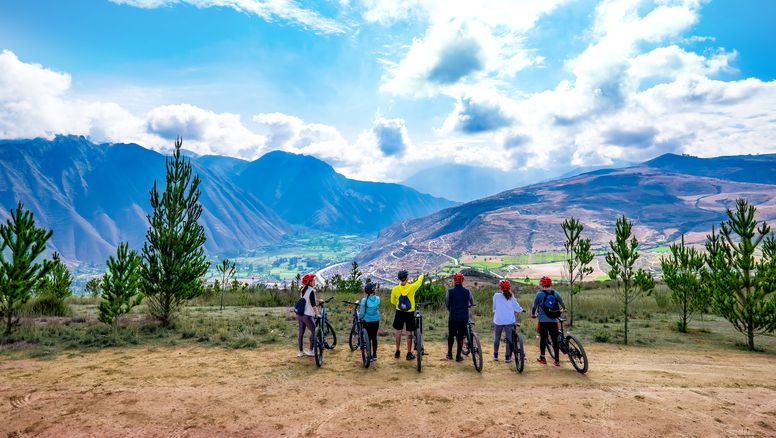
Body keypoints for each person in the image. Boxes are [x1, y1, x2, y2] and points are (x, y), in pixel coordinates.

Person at [390, 270, 425, 360]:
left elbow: (392, 301)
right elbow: (419, 282)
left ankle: (397, 351)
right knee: (409, 332)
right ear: (407, 277)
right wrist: (422, 275)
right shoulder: (412, 287)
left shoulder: (395, 289)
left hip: (399, 312)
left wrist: (399, 304)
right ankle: (409, 353)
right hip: (409, 312)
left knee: (398, 331)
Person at [531, 276, 565, 367]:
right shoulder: (555, 293)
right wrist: (564, 309)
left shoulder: (539, 294)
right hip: (553, 320)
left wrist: (533, 314)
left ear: (542, 284)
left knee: (543, 338)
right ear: (550, 284)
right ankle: (557, 360)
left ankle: (542, 358)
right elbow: (561, 302)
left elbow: (534, 306)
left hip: (543, 321)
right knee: (555, 340)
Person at [492, 280, 524, 363]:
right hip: (509, 321)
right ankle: (507, 357)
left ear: (500, 287)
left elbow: (494, 307)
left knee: (497, 337)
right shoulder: (511, 296)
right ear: (509, 287)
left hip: (498, 320)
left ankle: (495, 355)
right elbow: (516, 307)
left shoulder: (496, 295)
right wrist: (521, 310)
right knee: (509, 338)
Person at [445, 273, 474, 362]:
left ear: (454, 281)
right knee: (460, 337)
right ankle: (458, 356)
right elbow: (471, 302)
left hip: (453, 316)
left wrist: (450, 309)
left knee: (451, 335)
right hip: (464, 317)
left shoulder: (450, 291)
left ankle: (449, 354)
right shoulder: (468, 291)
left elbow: (447, 303)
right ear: (462, 281)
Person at [296, 273, 318, 357]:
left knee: (301, 333)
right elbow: (313, 304)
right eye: (313, 280)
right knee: (314, 332)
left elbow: (306, 300)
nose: (314, 281)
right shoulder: (311, 291)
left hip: (300, 314)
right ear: (310, 282)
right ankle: (311, 350)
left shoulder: (302, 289)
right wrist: (317, 313)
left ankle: (300, 352)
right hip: (307, 315)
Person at [358, 282, 381, 361]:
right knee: (374, 337)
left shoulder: (364, 300)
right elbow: (376, 297)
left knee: (368, 338)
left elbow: (361, 313)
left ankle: (369, 355)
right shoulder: (377, 299)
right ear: (374, 291)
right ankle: (374, 355)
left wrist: (360, 317)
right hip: (376, 321)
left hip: (367, 321)